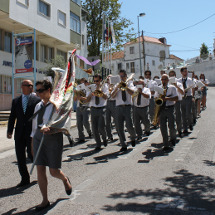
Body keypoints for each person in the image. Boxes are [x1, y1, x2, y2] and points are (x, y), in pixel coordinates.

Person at [31, 80, 72, 211]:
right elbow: (34, 127)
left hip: (53, 138)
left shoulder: (57, 106)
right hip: (38, 137)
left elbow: (64, 125)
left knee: (54, 171)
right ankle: (44, 200)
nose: (38, 93)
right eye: (37, 90)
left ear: (49, 90)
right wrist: (32, 142)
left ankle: (65, 179)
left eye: (41, 90)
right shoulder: (38, 106)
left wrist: (52, 129)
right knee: (40, 169)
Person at [7, 80, 40, 187]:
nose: (31, 87)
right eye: (29, 85)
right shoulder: (16, 101)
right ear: (22, 87)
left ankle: (41, 172)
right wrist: (10, 130)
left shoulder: (37, 100)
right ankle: (25, 179)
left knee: (31, 155)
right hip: (19, 133)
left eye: (31, 85)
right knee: (20, 157)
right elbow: (12, 117)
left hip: (32, 134)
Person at [111, 70, 136, 152]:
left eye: (122, 76)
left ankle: (133, 137)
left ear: (126, 76)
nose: (121, 78)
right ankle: (123, 144)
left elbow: (132, 93)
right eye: (120, 76)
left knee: (129, 125)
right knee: (119, 127)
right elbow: (112, 96)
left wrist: (126, 87)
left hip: (127, 107)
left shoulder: (130, 83)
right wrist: (117, 88)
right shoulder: (116, 85)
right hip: (118, 107)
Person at [156, 74, 178, 151]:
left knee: (171, 126)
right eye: (162, 79)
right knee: (162, 127)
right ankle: (165, 144)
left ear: (168, 80)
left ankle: (173, 138)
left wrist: (167, 98)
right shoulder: (159, 88)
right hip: (161, 109)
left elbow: (176, 98)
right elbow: (156, 98)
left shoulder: (172, 88)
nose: (163, 81)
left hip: (170, 108)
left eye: (165, 79)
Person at [87, 75, 108, 151]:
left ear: (100, 80)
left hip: (102, 108)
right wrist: (91, 94)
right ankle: (98, 144)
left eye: (97, 81)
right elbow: (87, 100)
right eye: (94, 81)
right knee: (94, 128)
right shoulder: (91, 87)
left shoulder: (104, 86)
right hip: (93, 109)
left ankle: (104, 138)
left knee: (101, 127)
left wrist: (100, 91)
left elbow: (106, 97)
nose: (96, 83)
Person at [73, 78, 92, 144]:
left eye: (85, 82)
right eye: (82, 82)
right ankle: (81, 137)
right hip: (79, 107)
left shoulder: (90, 89)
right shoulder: (79, 88)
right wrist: (76, 94)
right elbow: (75, 100)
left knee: (85, 122)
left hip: (86, 106)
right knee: (79, 123)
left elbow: (88, 99)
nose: (84, 83)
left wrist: (80, 97)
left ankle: (89, 132)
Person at [177, 67, 195, 134]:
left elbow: (193, 88)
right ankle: (185, 128)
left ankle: (190, 123)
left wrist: (193, 96)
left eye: (186, 71)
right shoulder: (178, 80)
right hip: (182, 98)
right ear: (181, 72)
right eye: (184, 71)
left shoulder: (190, 80)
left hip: (188, 97)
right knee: (183, 114)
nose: (186, 73)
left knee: (188, 113)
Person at [169, 70, 184, 137]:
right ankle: (172, 133)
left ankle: (179, 130)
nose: (172, 76)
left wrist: (176, 86)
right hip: (170, 102)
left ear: (175, 76)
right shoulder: (168, 84)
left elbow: (182, 93)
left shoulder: (179, 83)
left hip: (177, 102)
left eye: (173, 75)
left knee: (178, 117)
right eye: (170, 75)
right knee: (171, 119)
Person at [106, 75, 116, 142]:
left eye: (110, 78)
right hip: (106, 103)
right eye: (107, 78)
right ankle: (109, 136)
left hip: (114, 102)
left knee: (117, 120)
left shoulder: (115, 85)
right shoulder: (105, 86)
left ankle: (120, 133)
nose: (108, 79)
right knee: (107, 121)